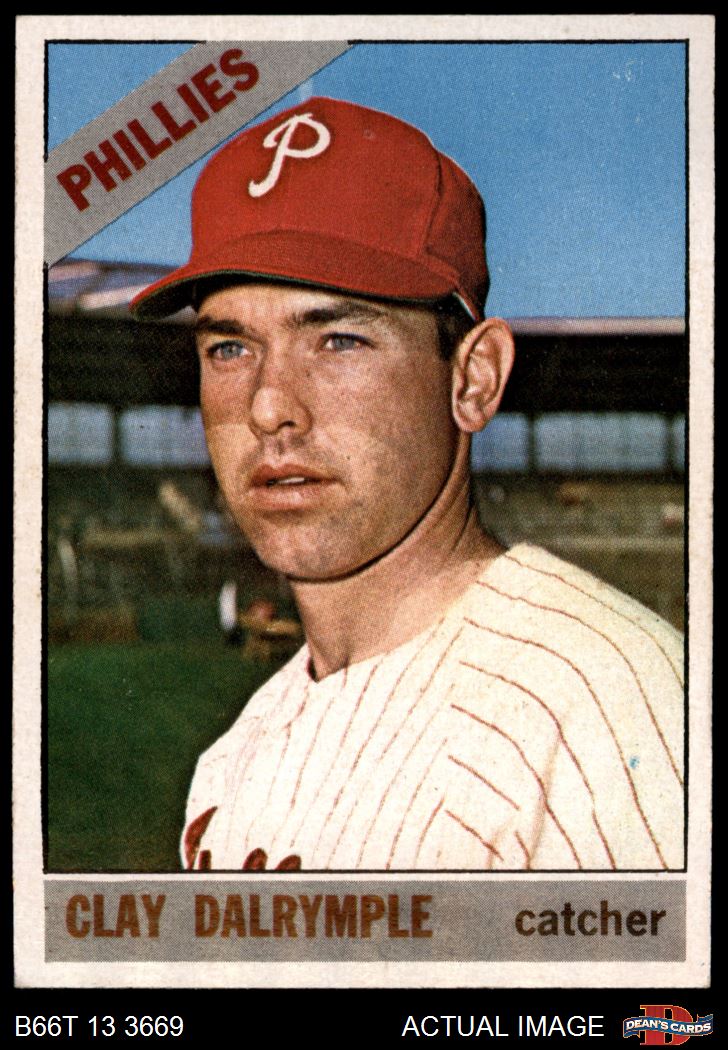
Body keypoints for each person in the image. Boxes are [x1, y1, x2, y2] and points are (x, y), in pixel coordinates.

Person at [132, 97, 684, 872]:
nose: (268, 406)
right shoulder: (236, 755)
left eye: (339, 340)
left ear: (473, 378)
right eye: (230, 348)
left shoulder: (599, 709)